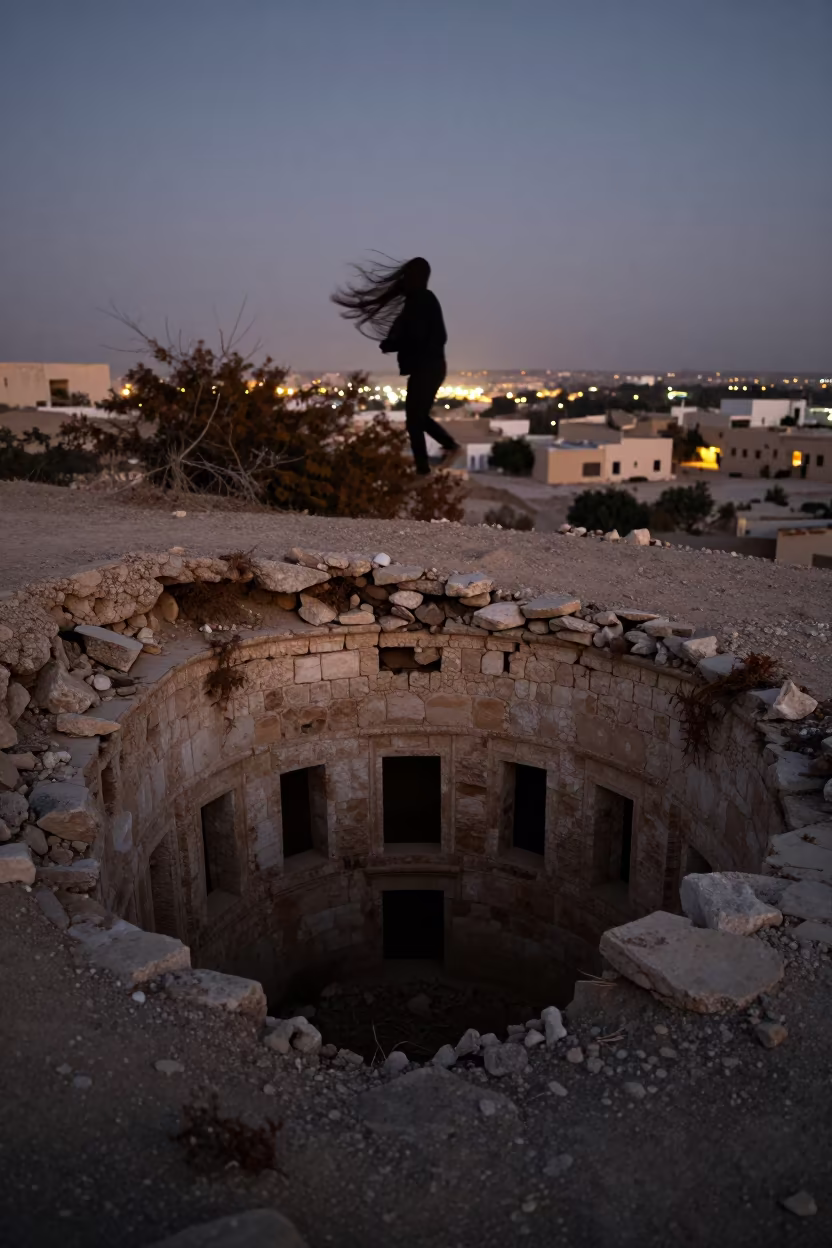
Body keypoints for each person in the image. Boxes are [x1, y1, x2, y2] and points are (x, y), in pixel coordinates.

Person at [332, 255, 460, 475]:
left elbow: (416, 335)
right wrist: (394, 343)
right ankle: (436, 458)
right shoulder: (421, 300)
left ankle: (430, 464)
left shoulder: (421, 300)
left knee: (415, 419)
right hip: (430, 367)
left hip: (428, 368)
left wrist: (394, 343)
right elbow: (414, 333)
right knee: (416, 419)